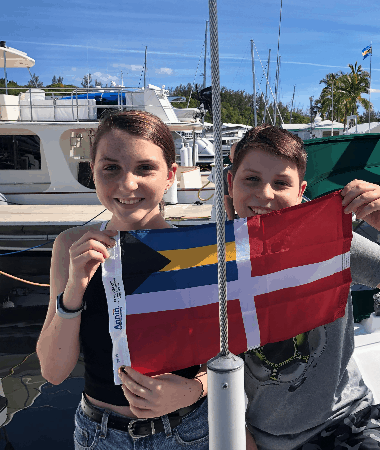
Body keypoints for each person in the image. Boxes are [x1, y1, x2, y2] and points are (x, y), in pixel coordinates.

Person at [36, 110, 256, 450]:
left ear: (169, 176)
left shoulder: (198, 251)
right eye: (111, 168)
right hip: (101, 435)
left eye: (144, 168)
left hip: (189, 430)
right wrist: (76, 286)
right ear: (92, 173)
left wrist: (191, 389)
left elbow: (230, 351)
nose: (127, 184)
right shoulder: (70, 247)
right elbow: (53, 371)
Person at [227, 124, 380, 450]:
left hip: (347, 422)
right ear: (230, 182)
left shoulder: (331, 244)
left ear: (300, 190)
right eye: (251, 179)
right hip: (265, 436)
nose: (265, 194)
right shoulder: (212, 259)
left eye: (281, 183)